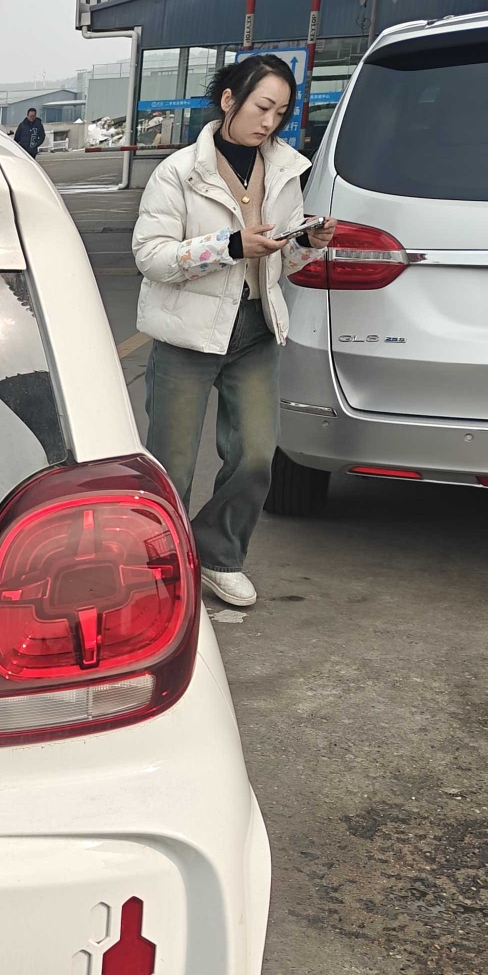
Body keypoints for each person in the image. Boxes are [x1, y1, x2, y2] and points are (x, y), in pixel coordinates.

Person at [132, 53, 337, 608]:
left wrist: (303, 243)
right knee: (171, 465)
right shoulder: (179, 172)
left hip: (255, 329)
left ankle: (219, 554)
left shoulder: (287, 170)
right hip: (187, 336)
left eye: (281, 112)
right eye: (262, 107)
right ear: (229, 100)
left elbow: (282, 262)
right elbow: (151, 257)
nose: (269, 122)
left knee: (255, 455)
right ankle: (160, 572)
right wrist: (228, 246)